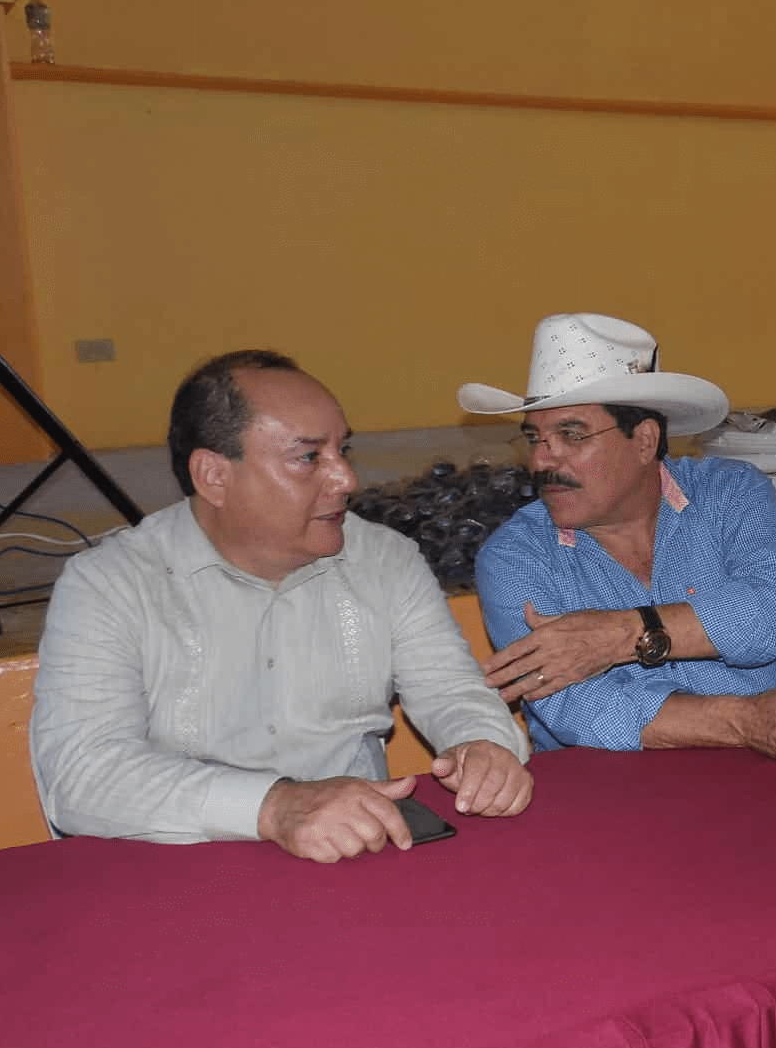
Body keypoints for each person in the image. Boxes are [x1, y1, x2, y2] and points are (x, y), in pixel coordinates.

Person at [31, 350, 533, 863]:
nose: (346, 479)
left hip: (355, 858)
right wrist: (273, 807)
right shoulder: (110, 585)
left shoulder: (384, 561)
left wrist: (483, 744)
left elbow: (450, 690)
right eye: (309, 458)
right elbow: (82, 776)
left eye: (343, 450)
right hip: (179, 866)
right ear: (213, 476)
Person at [464, 314, 776, 763]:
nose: (541, 461)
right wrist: (744, 721)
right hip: (610, 794)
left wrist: (623, 633)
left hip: (761, 777)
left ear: (644, 441)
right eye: (534, 438)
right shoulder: (515, 556)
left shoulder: (729, 493)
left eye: (570, 435)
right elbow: (577, 707)